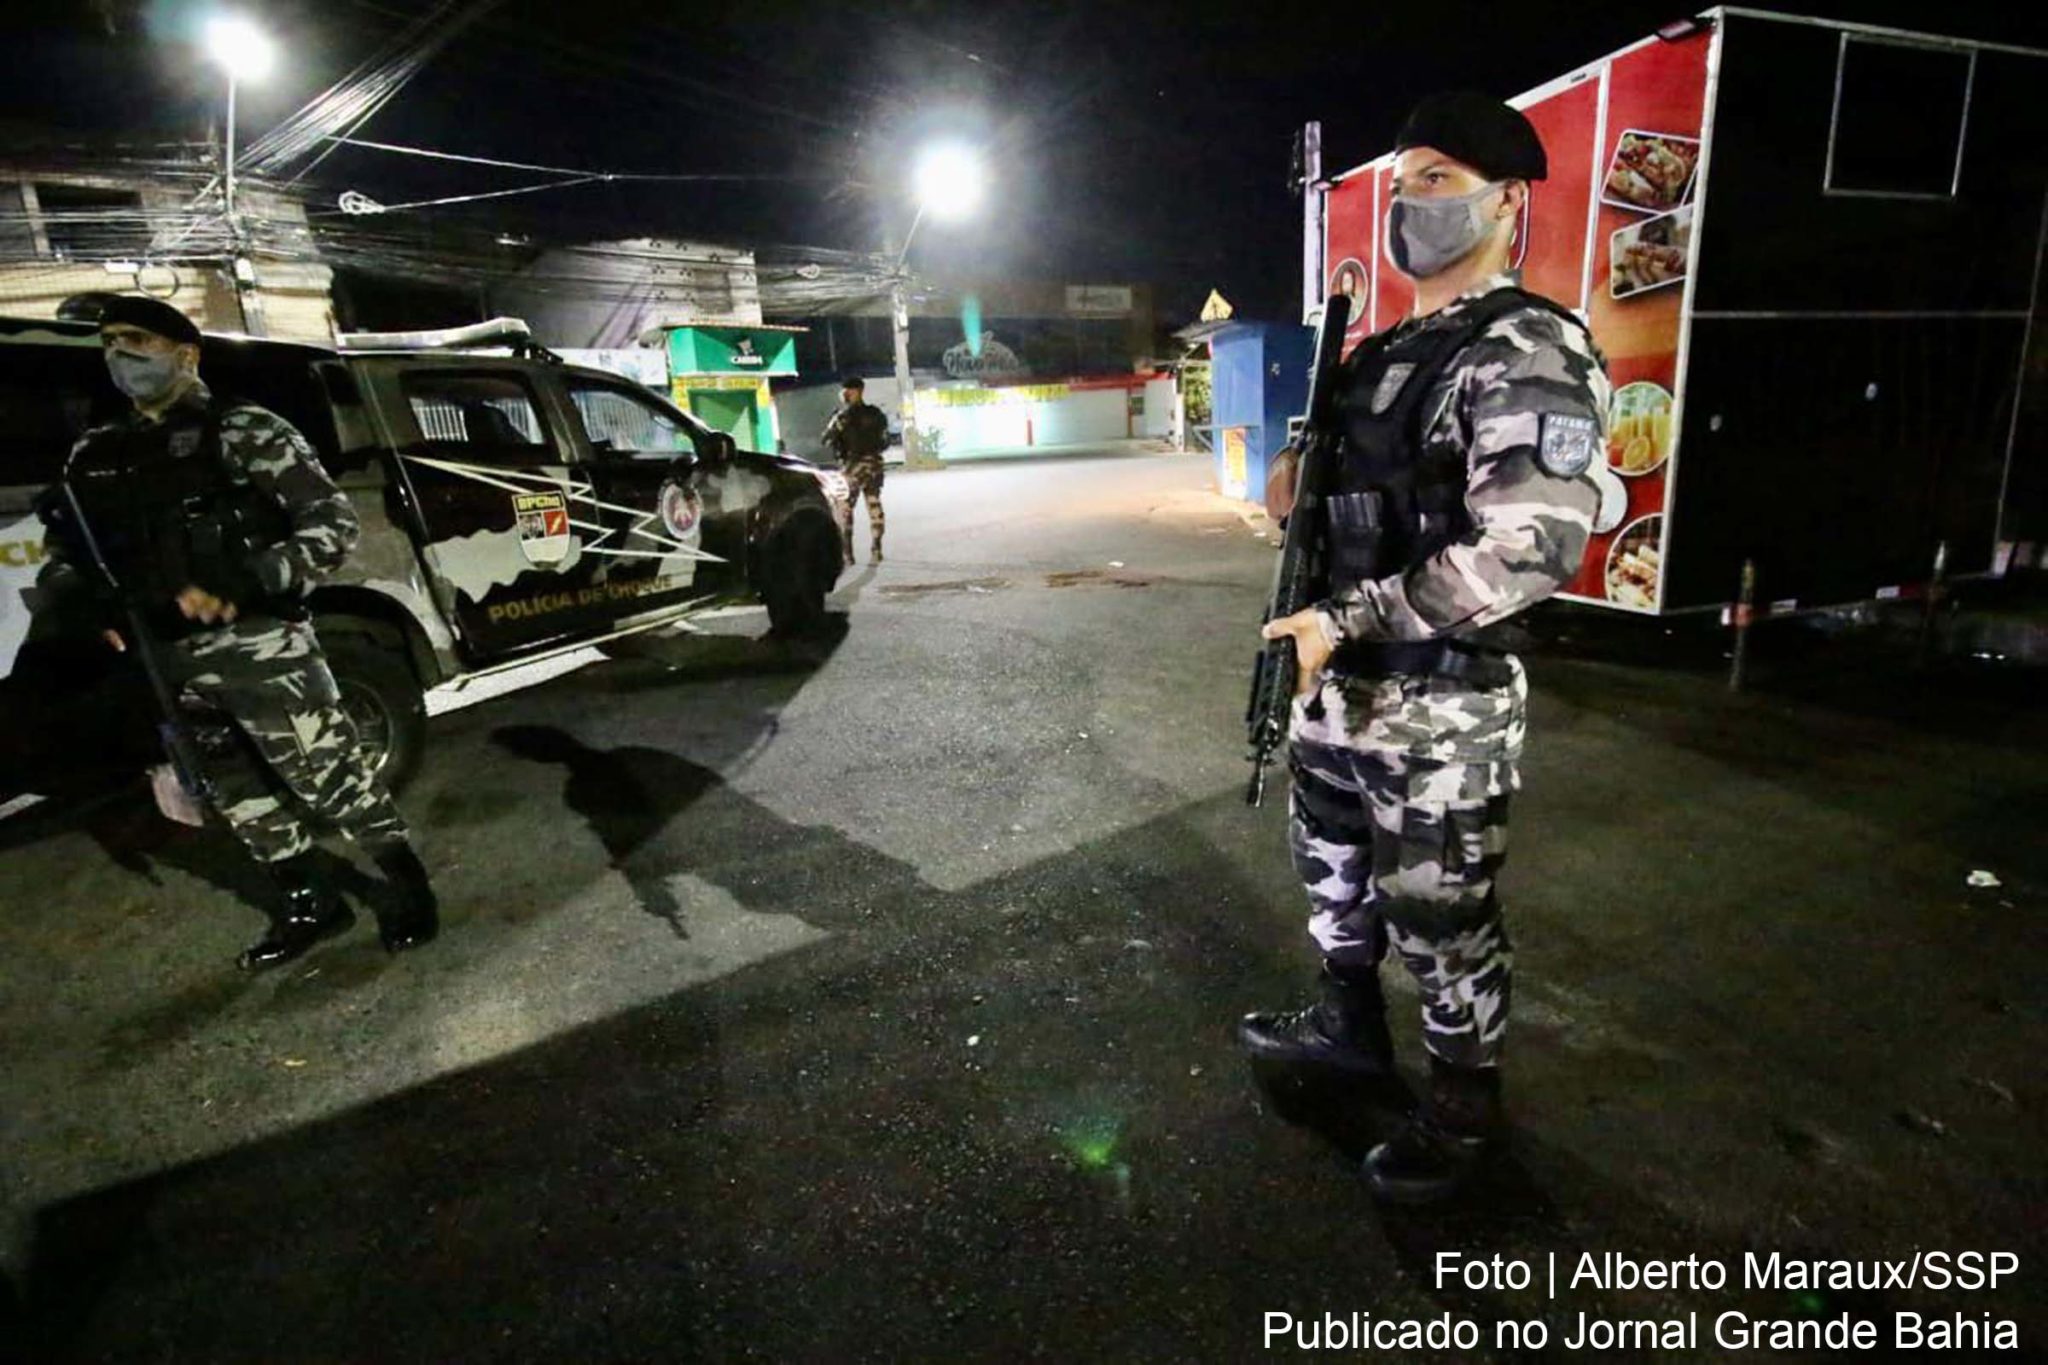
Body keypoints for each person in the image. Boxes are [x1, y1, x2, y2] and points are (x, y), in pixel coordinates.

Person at [1239, 92, 1611, 1203]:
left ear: (1506, 202)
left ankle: (1460, 1124)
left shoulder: (1526, 348)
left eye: (1438, 179)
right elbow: (1306, 507)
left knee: (1441, 925)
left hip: (1439, 708)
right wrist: (1296, 475)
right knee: (1335, 887)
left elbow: (1530, 549)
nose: (1411, 201)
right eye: (1402, 180)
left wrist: (1346, 619)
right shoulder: (1380, 350)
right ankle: (1348, 1036)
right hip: (1331, 691)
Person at [33, 294, 439, 970]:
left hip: (260, 648)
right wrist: (95, 612)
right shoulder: (96, 452)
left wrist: (252, 579)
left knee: (331, 777)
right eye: (109, 343)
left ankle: (407, 887)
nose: (120, 355)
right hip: (165, 657)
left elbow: (332, 525)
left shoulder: (245, 431)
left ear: (185, 353)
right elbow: (69, 555)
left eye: (137, 339)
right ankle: (312, 901)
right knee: (234, 792)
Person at [821, 374, 889, 565]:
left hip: (853, 467)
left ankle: (847, 554)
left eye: (846, 391)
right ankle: (877, 550)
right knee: (874, 506)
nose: (843, 394)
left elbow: (826, 439)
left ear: (853, 391)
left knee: (845, 509)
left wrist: (833, 420)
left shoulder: (843, 417)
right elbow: (885, 441)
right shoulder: (876, 414)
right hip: (874, 465)